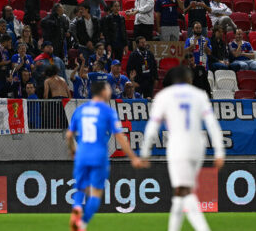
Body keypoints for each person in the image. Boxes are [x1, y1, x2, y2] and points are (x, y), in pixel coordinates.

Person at [141, 66, 224, 231]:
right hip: (197, 145)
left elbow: (152, 126)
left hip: (178, 146)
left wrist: (145, 152)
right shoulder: (199, 95)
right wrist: (219, 151)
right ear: (189, 80)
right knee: (180, 193)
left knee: (184, 191)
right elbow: (212, 124)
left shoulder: (164, 96)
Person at [67, 81, 142, 231]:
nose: (111, 91)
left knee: (80, 188)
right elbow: (120, 137)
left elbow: (69, 135)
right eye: (108, 89)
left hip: (82, 154)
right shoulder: (107, 111)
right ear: (102, 92)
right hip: (98, 156)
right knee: (96, 193)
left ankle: (76, 207)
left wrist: (73, 151)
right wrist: (133, 157)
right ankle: (82, 224)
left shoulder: (80, 110)